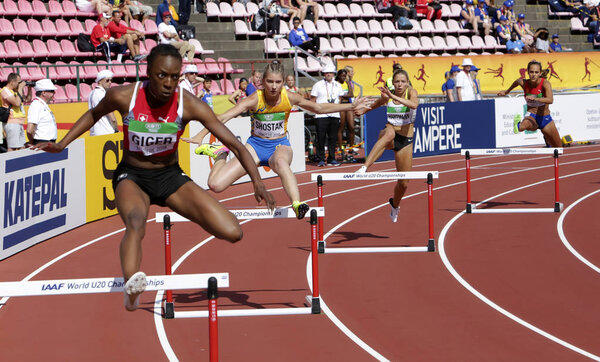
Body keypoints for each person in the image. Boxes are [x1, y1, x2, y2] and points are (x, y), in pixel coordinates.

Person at [32, 44, 276, 311]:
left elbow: (237, 145)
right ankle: (131, 288)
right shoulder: (124, 96)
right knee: (136, 224)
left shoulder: (188, 103)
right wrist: (62, 144)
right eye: (162, 75)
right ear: (148, 72)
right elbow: (93, 114)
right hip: (132, 175)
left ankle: (134, 281)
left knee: (232, 231)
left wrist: (257, 181)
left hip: (170, 176)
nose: (169, 83)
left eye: (174, 76)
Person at [183, 61, 371, 219]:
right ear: (262, 82)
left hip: (279, 146)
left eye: (278, 82)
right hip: (255, 147)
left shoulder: (288, 97)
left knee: (281, 163)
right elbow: (223, 117)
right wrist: (200, 135)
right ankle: (220, 153)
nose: (274, 86)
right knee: (215, 185)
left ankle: (297, 203)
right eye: (270, 82)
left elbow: (318, 108)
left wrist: (350, 106)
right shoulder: (254, 99)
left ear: (282, 83)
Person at [355, 69, 418, 223]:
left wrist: (393, 96)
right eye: (397, 81)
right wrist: (363, 110)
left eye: (403, 81)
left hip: (405, 140)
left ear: (407, 82)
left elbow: (414, 105)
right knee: (389, 133)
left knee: (403, 183)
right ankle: (364, 167)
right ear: (393, 82)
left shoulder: (411, 92)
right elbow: (377, 104)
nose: (400, 84)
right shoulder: (388, 95)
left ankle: (395, 204)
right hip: (389, 134)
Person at [497, 59, 562, 147]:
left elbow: (550, 100)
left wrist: (535, 99)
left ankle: (547, 140)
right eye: (531, 72)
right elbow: (516, 82)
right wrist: (506, 92)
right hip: (532, 115)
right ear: (528, 72)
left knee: (558, 148)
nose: (533, 75)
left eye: (536, 72)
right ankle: (518, 124)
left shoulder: (545, 83)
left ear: (540, 73)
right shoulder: (524, 83)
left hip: (545, 118)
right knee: (522, 127)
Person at [311, 65, 346, 167]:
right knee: (321, 138)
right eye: (327, 73)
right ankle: (321, 158)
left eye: (331, 73)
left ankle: (331, 158)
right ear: (324, 74)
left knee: (332, 137)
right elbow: (313, 99)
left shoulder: (337, 85)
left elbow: (340, 98)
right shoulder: (318, 85)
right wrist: (315, 112)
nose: (329, 74)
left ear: (334, 74)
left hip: (334, 114)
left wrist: (336, 108)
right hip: (321, 115)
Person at [1, 73, 32, 151]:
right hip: (11, 122)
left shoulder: (15, 91)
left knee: (22, 147)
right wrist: (20, 88)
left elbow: (27, 100)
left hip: (19, 122)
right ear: (12, 81)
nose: (20, 84)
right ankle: (8, 162)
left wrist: (29, 89)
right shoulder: (5, 90)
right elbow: (17, 103)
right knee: (12, 147)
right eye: (18, 82)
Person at [27, 79, 58, 145]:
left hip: (47, 143)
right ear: (43, 93)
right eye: (51, 91)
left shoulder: (41, 104)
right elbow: (29, 130)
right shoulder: (36, 105)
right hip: (42, 143)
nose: (54, 93)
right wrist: (33, 143)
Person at [89, 70, 118, 135]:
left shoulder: (91, 93)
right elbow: (112, 118)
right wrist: (116, 129)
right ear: (99, 81)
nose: (110, 82)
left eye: (111, 80)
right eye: (107, 80)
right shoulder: (102, 94)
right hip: (106, 131)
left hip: (95, 131)